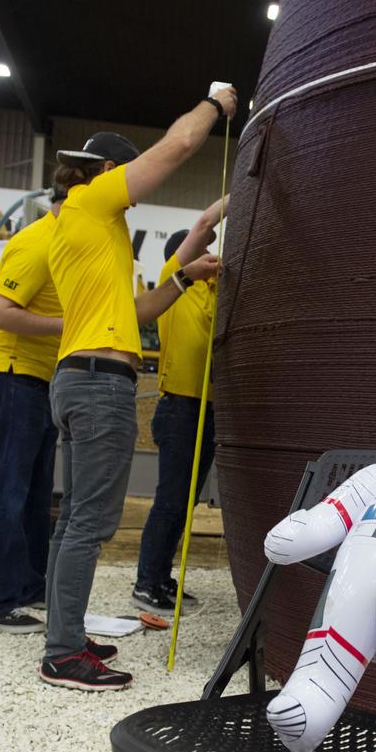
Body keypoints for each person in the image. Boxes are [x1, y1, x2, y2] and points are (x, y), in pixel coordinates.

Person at [41, 82, 238, 693]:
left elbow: (142, 309)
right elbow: (178, 146)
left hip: (80, 377)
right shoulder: (93, 201)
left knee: (73, 518)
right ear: (105, 170)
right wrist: (216, 104)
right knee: (89, 524)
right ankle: (62, 653)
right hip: (99, 385)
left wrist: (184, 277)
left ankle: (64, 634)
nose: (131, 187)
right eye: (125, 173)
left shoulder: (86, 232)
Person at [0, 189, 65, 632]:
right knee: (7, 491)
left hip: (37, 381)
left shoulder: (64, 244)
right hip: (11, 376)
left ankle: (27, 585)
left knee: (34, 493)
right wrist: (70, 325)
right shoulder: (37, 243)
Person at [132, 204, 226, 613]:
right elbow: (203, 225)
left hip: (207, 409)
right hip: (180, 409)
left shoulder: (212, 293)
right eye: (202, 251)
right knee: (170, 500)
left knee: (184, 503)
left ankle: (162, 578)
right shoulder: (175, 283)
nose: (210, 255)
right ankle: (147, 582)